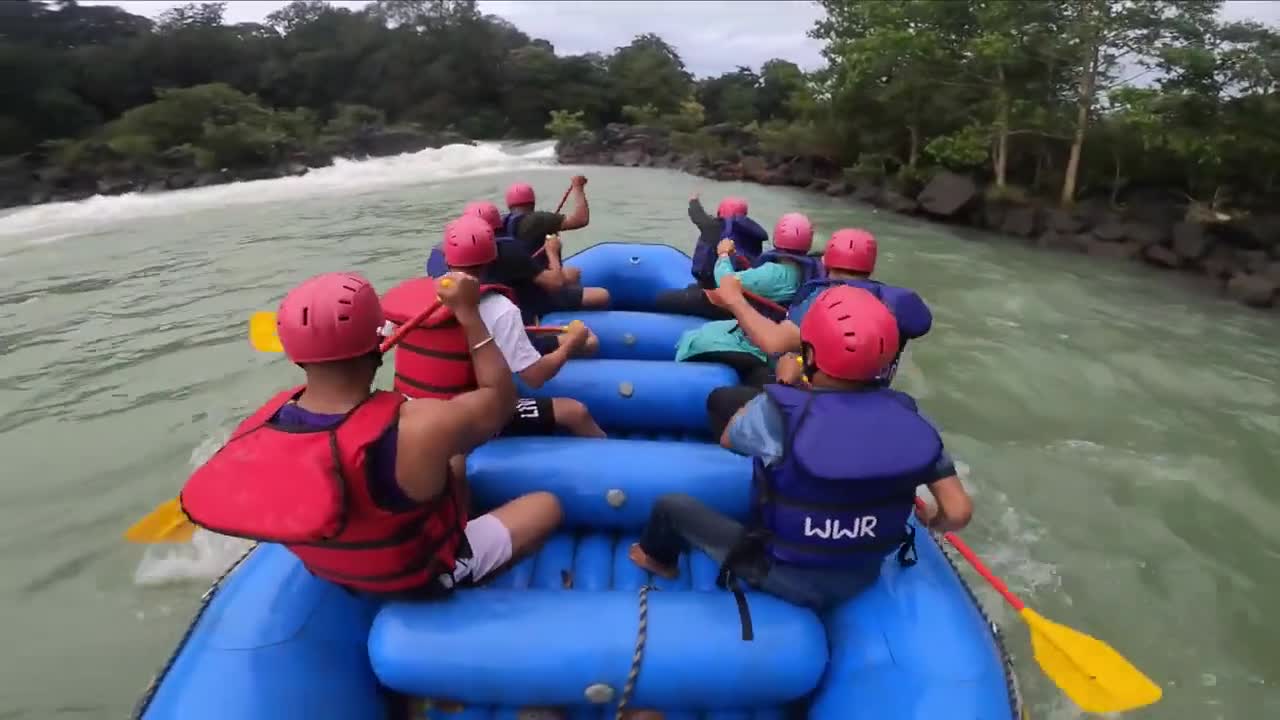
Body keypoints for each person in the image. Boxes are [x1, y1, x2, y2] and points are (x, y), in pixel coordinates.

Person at [180, 271, 562, 598]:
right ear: (380, 343)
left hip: (334, 572)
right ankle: (465, 575)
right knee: (546, 505)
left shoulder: (259, 427)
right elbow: (499, 400)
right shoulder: (421, 426)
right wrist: (469, 313)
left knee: (453, 460)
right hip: (419, 576)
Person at [627, 285, 972, 611]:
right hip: (862, 575)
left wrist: (783, 386)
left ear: (810, 353)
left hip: (779, 573)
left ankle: (655, 560)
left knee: (670, 506)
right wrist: (932, 519)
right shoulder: (912, 418)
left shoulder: (782, 411)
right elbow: (958, 512)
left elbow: (731, 437)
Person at [394, 215, 606, 438]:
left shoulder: (411, 300)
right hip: (466, 417)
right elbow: (535, 377)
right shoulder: (500, 308)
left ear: (445, 258)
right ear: (492, 259)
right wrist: (570, 345)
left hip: (413, 413)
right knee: (575, 412)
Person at [708, 228, 932, 388]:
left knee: (730, 393)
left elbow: (774, 342)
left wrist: (734, 300)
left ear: (826, 261)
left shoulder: (822, 300)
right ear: (870, 267)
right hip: (873, 390)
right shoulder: (892, 302)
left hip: (818, 394)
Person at [670, 213, 820, 387]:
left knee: (694, 338)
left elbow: (726, 281)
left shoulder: (776, 273)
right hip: (778, 333)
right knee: (709, 328)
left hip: (758, 341)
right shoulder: (810, 268)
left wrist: (724, 255)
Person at [654, 194, 772, 319]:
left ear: (720, 211)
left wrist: (693, 200)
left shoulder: (712, 226)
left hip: (718, 295)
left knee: (660, 299)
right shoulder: (752, 235)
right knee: (691, 288)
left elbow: (697, 215)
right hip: (740, 293)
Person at [502, 177, 610, 310]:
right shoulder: (537, 220)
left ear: (509, 205)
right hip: (537, 291)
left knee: (573, 273)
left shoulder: (504, 224)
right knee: (603, 295)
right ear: (533, 203)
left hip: (526, 282)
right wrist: (578, 188)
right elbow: (580, 219)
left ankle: (572, 301)